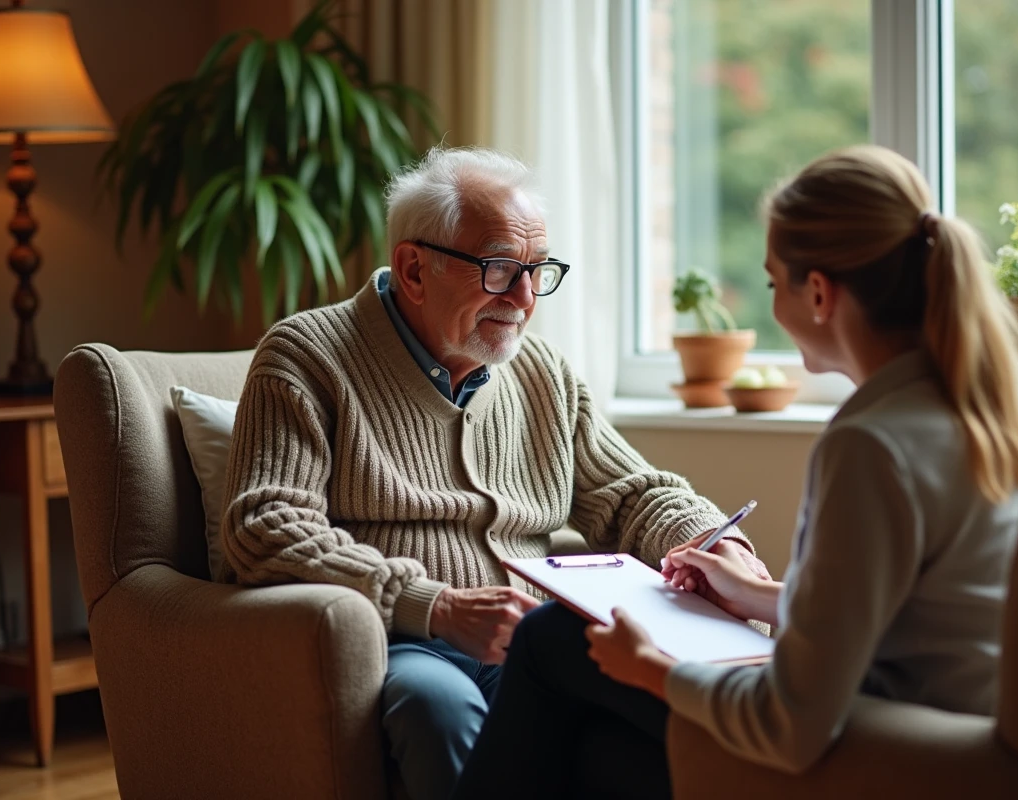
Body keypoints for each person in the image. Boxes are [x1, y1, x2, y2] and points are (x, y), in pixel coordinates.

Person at [451, 144, 1018, 799]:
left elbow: (791, 723)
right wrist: (756, 595)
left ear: (819, 292)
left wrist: (652, 667)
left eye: (774, 283)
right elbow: (914, 614)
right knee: (604, 758)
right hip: (965, 738)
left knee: (552, 636)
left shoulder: (872, 444)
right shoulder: (1000, 414)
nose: (772, 303)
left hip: (891, 750)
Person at [218, 146, 771, 800]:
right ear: (414, 269)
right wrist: (439, 607)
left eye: (538, 271)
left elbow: (634, 493)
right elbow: (266, 527)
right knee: (436, 706)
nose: (526, 298)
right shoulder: (305, 357)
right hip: (404, 641)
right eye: (502, 269)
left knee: (649, 722)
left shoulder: (543, 374)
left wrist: (718, 542)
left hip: (537, 644)